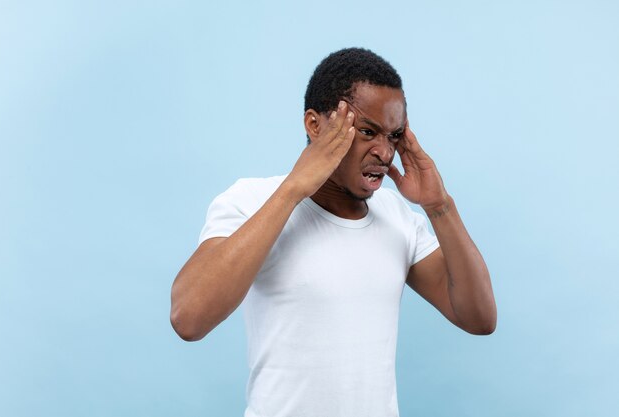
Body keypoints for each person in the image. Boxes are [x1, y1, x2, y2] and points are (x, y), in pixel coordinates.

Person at [170, 47, 497, 417]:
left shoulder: (397, 217)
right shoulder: (252, 200)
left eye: (394, 136)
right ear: (314, 125)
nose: (385, 152)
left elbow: (479, 318)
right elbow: (189, 317)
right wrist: (294, 189)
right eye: (367, 131)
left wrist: (440, 206)